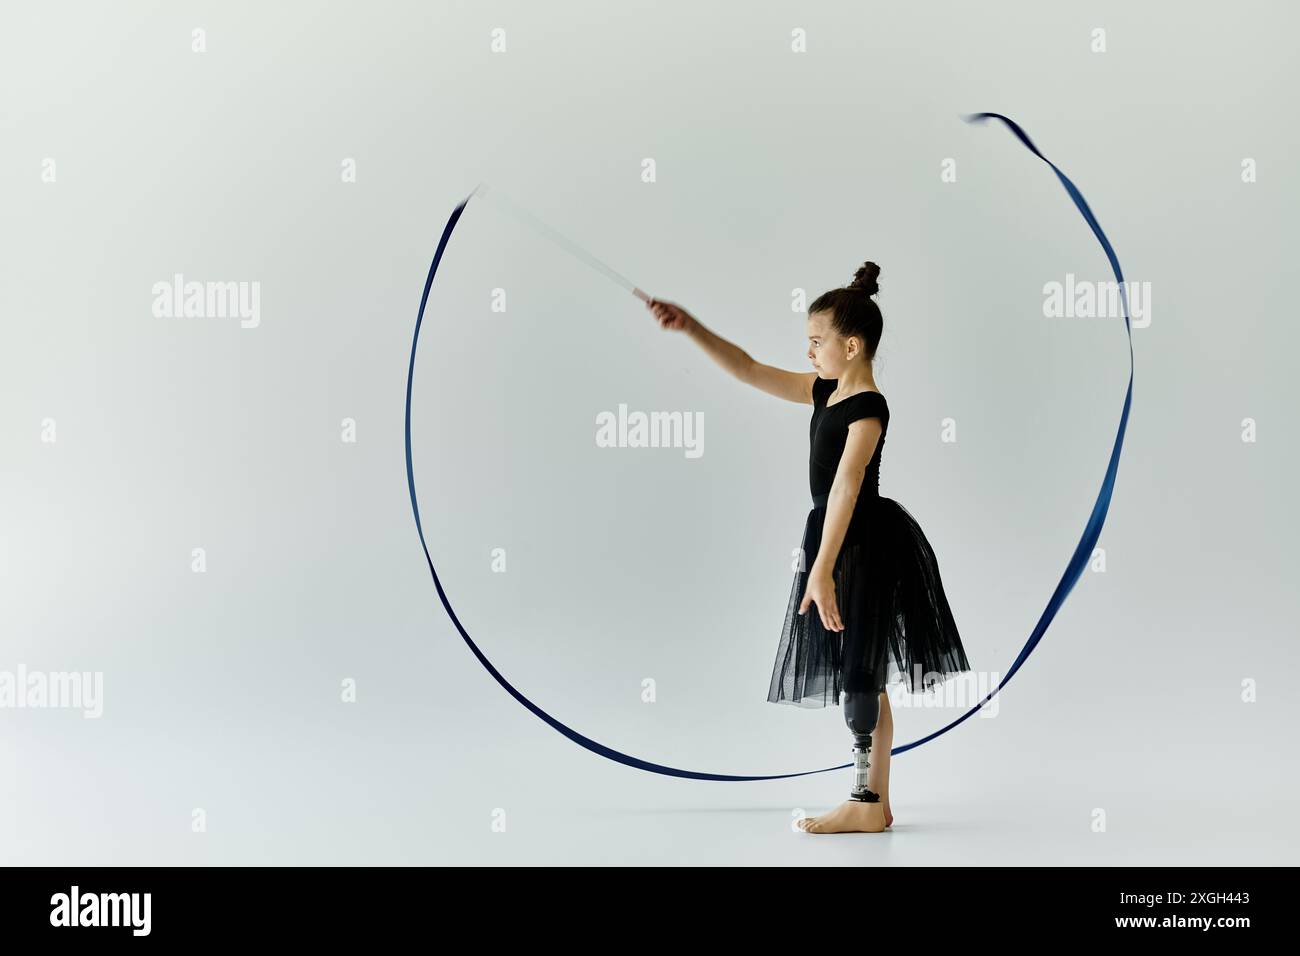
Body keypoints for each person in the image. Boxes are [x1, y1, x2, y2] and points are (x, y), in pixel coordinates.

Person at [646, 261, 972, 834]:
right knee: (863, 669)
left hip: (860, 543)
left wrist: (821, 569)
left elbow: (847, 485)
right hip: (836, 541)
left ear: (851, 345)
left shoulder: (869, 407)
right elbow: (747, 369)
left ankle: (863, 799)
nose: (809, 353)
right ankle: (876, 803)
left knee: (858, 676)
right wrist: (691, 327)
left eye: (816, 342)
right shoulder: (825, 391)